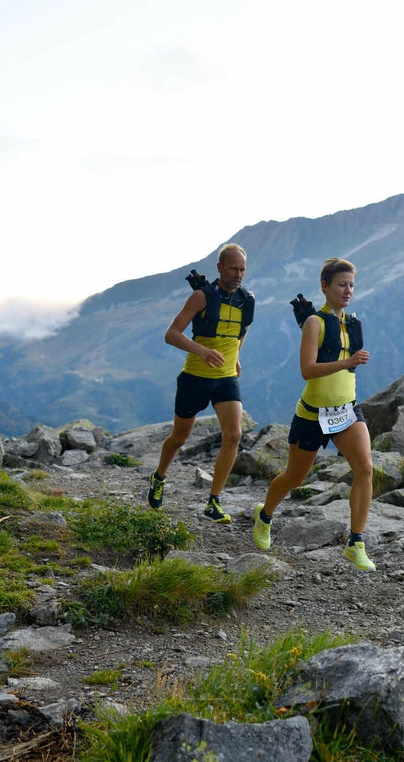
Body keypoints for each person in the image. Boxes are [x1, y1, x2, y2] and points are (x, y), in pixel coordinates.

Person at [252, 257, 375, 571]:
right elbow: (307, 370)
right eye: (341, 284)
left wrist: (350, 364)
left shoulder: (353, 324)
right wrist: (347, 362)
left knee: (365, 468)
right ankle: (264, 516)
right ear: (324, 286)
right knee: (295, 477)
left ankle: (356, 542)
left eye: (351, 285)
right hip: (312, 414)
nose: (348, 290)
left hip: (346, 410)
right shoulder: (314, 323)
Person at [148, 244, 254, 523]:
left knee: (233, 435)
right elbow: (171, 334)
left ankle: (214, 501)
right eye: (233, 269)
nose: (238, 275)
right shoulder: (201, 296)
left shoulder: (247, 300)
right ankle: (159, 476)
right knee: (179, 438)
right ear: (219, 267)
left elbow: (241, 332)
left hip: (226, 379)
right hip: (194, 378)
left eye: (242, 270)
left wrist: (236, 358)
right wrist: (202, 351)